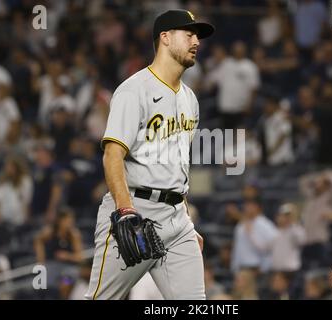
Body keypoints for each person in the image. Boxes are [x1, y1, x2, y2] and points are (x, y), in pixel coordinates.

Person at [85, 10, 215, 300]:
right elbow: (112, 155)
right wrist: (124, 210)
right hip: (135, 211)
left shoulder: (189, 98)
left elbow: (177, 165)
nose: (196, 41)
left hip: (177, 219)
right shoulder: (134, 90)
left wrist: (183, 218)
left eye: (198, 36)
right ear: (165, 38)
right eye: (189, 34)